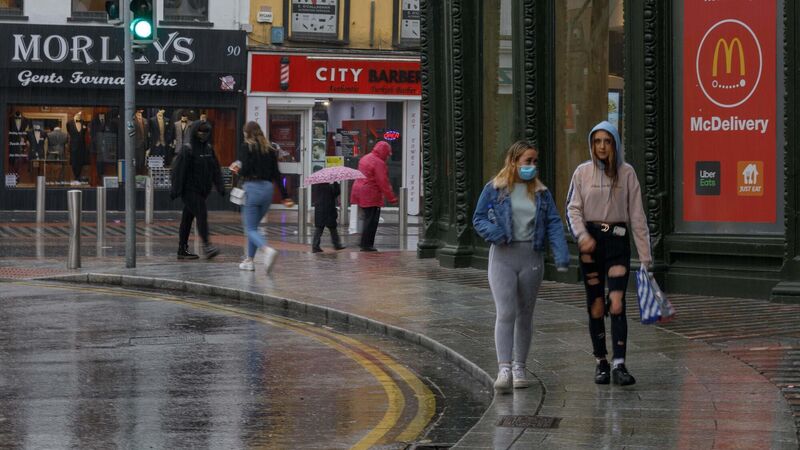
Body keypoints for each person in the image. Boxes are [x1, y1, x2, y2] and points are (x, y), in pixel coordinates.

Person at [472, 141, 569, 394]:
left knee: (525, 315)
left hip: (531, 257)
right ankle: (504, 368)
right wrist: (495, 233)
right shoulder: (494, 189)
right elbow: (478, 218)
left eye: (535, 161)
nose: (532, 166)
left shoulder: (541, 193)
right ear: (514, 161)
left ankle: (519, 367)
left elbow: (554, 223)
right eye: (528, 161)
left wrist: (561, 254)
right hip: (503, 256)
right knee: (506, 312)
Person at [566, 121, 652, 387]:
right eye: (597, 141)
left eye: (607, 141)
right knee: (596, 304)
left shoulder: (627, 174)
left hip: (618, 243)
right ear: (592, 144)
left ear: (615, 144)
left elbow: (637, 216)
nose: (602, 146)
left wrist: (646, 259)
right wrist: (582, 235)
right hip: (591, 243)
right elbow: (572, 209)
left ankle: (619, 364)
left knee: (616, 302)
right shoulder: (582, 172)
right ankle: (601, 361)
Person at [229, 121, 294, 273]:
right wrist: (285, 196)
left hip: (252, 189)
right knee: (254, 228)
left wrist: (237, 169)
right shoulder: (270, 149)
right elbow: (277, 174)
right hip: (267, 190)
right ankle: (249, 261)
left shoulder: (247, 147)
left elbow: (245, 171)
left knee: (250, 228)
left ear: (247, 133)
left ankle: (266, 250)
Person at [170, 121, 225, 260]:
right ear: (195, 132)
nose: (203, 134)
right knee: (201, 213)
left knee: (187, 218)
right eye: (200, 131)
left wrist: (220, 186)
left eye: (206, 131)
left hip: (202, 190)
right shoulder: (187, 149)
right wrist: (176, 190)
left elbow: (215, 169)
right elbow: (179, 171)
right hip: (189, 190)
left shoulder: (208, 149)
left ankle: (182, 249)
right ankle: (207, 246)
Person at [350, 141, 397, 252]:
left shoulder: (365, 158)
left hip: (360, 192)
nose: (388, 156)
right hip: (371, 194)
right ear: (384, 152)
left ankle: (364, 242)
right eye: (387, 154)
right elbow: (383, 182)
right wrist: (391, 198)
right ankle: (367, 244)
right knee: (372, 221)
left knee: (367, 218)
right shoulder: (378, 163)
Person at [311, 182, 346, 253]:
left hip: (320, 208)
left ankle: (315, 246)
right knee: (332, 227)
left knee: (320, 228)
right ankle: (336, 245)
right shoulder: (329, 186)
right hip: (328, 209)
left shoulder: (318, 184)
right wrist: (335, 183)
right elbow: (336, 193)